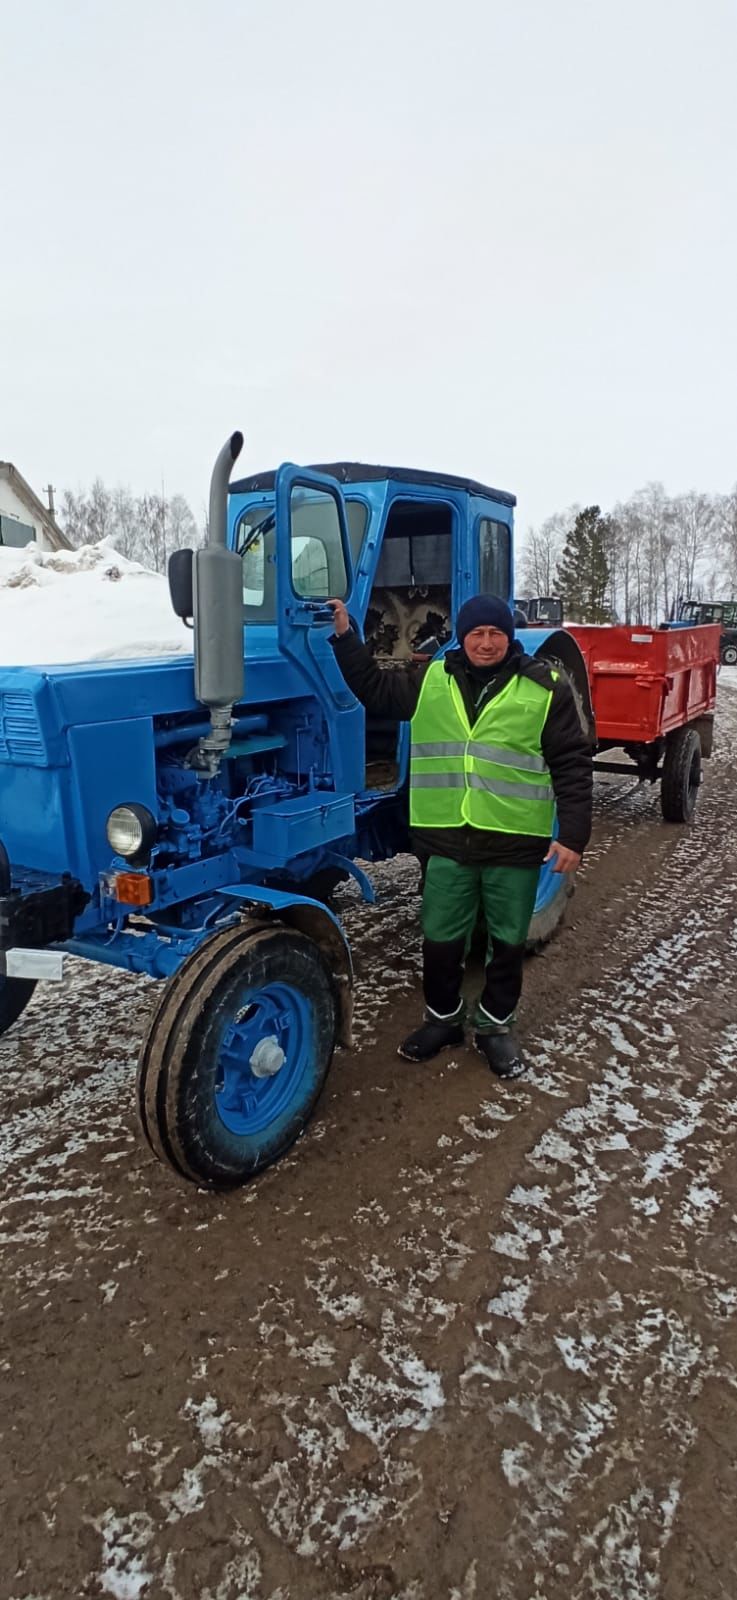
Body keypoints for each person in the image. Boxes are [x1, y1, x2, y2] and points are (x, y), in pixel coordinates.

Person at [329, 594, 593, 1078]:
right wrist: (345, 636)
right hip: (447, 839)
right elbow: (374, 690)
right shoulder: (432, 678)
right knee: (442, 939)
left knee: (507, 941)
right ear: (463, 637)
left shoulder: (544, 687)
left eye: (496, 634)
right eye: (477, 634)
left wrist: (573, 835)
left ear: (508, 637)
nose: (487, 643)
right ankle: (444, 1020)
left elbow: (572, 765)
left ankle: (495, 1028)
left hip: (514, 840)